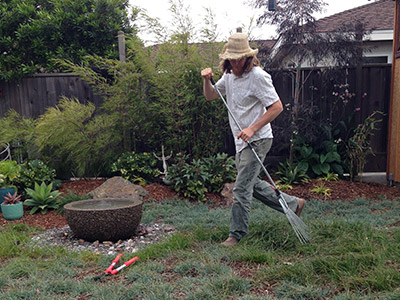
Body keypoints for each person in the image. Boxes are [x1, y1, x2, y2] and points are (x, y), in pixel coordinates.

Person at [200, 32, 305, 247]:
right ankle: (294, 204)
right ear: (226, 59)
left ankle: (236, 235)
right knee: (250, 184)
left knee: (240, 188)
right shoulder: (228, 77)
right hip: (242, 142)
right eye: (232, 58)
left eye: (240, 58)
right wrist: (206, 81)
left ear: (248, 57)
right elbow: (211, 96)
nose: (236, 62)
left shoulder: (258, 76)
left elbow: (276, 107)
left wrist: (252, 128)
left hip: (258, 139)